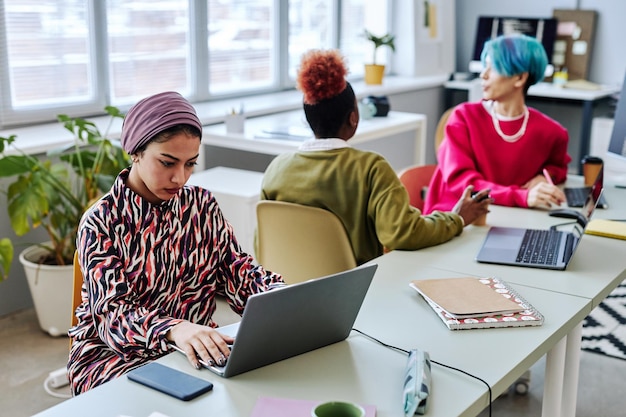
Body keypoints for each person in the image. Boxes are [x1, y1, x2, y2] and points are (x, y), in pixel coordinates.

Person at [68, 91, 283, 395]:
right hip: (113, 359)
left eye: (190, 164)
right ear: (135, 151)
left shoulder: (202, 206)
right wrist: (173, 329)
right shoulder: (101, 221)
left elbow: (237, 272)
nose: (180, 178)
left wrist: (283, 296)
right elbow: (113, 316)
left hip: (195, 352)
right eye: (167, 162)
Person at [260, 49, 490, 266]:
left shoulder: (276, 170)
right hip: (354, 292)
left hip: (286, 289)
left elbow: (264, 242)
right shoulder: (371, 168)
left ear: (308, 120)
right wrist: (456, 219)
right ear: (353, 119)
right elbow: (403, 233)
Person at [424, 34, 570, 214]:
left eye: (492, 68)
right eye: (484, 66)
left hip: (509, 216)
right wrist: (521, 196)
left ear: (519, 78)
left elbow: (558, 166)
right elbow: (463, 183)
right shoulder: (463, 118)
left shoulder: (552, 132)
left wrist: (544, 177)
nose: (483, 74)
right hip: (454, 217)